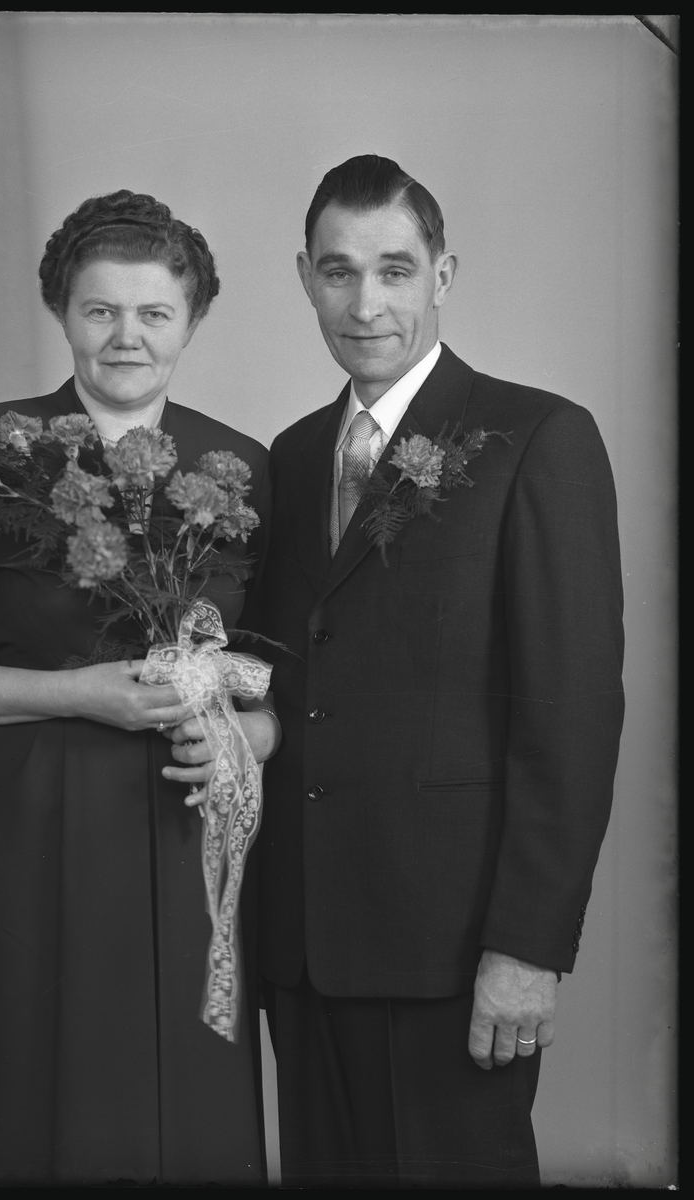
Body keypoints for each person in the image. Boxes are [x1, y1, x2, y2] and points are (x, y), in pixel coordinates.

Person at [0, 190, 281, 1186]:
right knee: (37, 1106)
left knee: (191, 1112)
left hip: (191, 826)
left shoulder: (247, 467)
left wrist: (252, 736)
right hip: (34, 824)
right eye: (101, 311)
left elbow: (281, 677)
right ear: (61, 312)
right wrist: (77, 692)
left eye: (154, 313)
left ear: (192, 321)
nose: (126, 337)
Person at [252, 155, 625, 1186]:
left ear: (442, 275)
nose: (364, 304)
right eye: (337, 271)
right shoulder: (290, 456)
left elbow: (571, 713)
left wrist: (527, 947)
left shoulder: (537, 437)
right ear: (304, 277)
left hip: (451, 949)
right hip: (302, 944)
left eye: (394, 270)